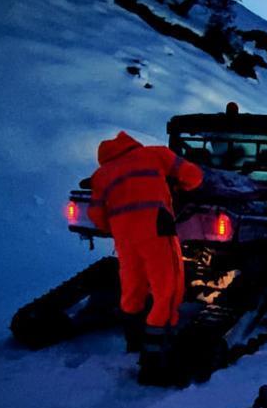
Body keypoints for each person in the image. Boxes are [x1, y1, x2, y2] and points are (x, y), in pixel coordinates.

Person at [87, 131, 203, 344]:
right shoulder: (155, 154)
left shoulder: (101, 175)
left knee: (132, 284)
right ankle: (158, 342)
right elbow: (194, 176)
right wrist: (182, 187)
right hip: (157, 229)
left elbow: (96, 215)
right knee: (167, 284)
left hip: (124, 237)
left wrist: (116, 227)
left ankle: (133, 335)